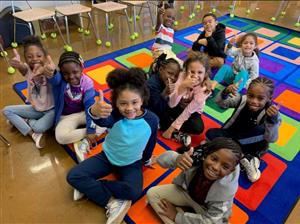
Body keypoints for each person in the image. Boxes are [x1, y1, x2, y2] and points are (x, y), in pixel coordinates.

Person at [66, 68, 159, 224]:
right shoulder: (115, 115)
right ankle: (110, 200)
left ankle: (90, 186)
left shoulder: (152, 120)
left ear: (142, 99)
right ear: (116, 103)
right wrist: (94, 111)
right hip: (107, 157)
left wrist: (147, 159)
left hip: (131, 163)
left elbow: (151, 142)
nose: (129, 108)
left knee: (134, 192)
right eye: (123, 103)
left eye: (134, 102)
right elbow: (102, 121)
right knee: (73, 176)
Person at [147, 137, 243, 224]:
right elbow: (162, 161)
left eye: (225, 167)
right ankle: (184, 215)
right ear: (206, 154)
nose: (215, 167)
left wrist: (177, 216)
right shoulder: (196, 157)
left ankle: (182, 216)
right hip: (187, 193)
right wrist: (176, 159)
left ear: (231, 171)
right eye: (214, 159)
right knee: (152, 194)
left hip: (205, 210)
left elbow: (211, 220)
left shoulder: (225, 191)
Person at [207, 77, 281, 182]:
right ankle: (243, 156)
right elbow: (220, 103)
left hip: (252, 145)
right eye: (251, 96)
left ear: (269, 98)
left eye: (260, 98)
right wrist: (225, 92)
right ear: (247, 92)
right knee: (210, 134)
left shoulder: (273, 113)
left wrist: (272, 120)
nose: (254, 101)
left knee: (261, 130)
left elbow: (272, 138)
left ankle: (251, 157)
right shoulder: (242, 99)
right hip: (233, 135)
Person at [49, 51, 105, 162]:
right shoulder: (60, 80)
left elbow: (90, 108)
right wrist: (52, 72)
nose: (71, 76)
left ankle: (85, 139)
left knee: (107, 116)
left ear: (82, 68)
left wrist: (91, 130)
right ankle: (87, 136)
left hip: (84, 112)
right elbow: (54, 79)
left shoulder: (87, 83)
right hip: (66, 117)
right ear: (61, 72)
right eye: (66, 73)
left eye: (75, 72)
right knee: (60, 137)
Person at [2, 35, 55, 148]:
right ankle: (33, 135)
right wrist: (18, 64)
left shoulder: (48, 70)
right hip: (36, 109)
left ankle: (26, 120)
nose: (35, 59)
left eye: (39, 55)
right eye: (29, 57)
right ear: (25, 59)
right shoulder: (27, 70)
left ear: (45, 57)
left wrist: (51, 72)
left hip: (51, 111)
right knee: (6, 111)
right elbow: (22, 67)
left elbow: (54, 74)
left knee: (38, 127)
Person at [161, 52, 211, 146]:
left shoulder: (204, 89)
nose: (195, 76)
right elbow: (171, 104)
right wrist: (182, 87)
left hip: (191, 112)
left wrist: (170, 130)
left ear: (205, 73)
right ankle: (176, 132)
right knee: (161, 109)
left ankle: (171, 127)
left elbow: (188, 111)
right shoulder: (181, 77)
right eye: (192, 72)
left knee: (198, 127)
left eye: (200, 72)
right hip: (176, 106)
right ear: (186, 70)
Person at [147, 53, 180, 128]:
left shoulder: (166, 81)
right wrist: (165, 93)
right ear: (161, 69)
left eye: (175, 76)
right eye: (170, 73)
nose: (172, 78)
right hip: (151, 108)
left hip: (163, 104)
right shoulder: (152, 84)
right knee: (167, 123)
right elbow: (157, 107)